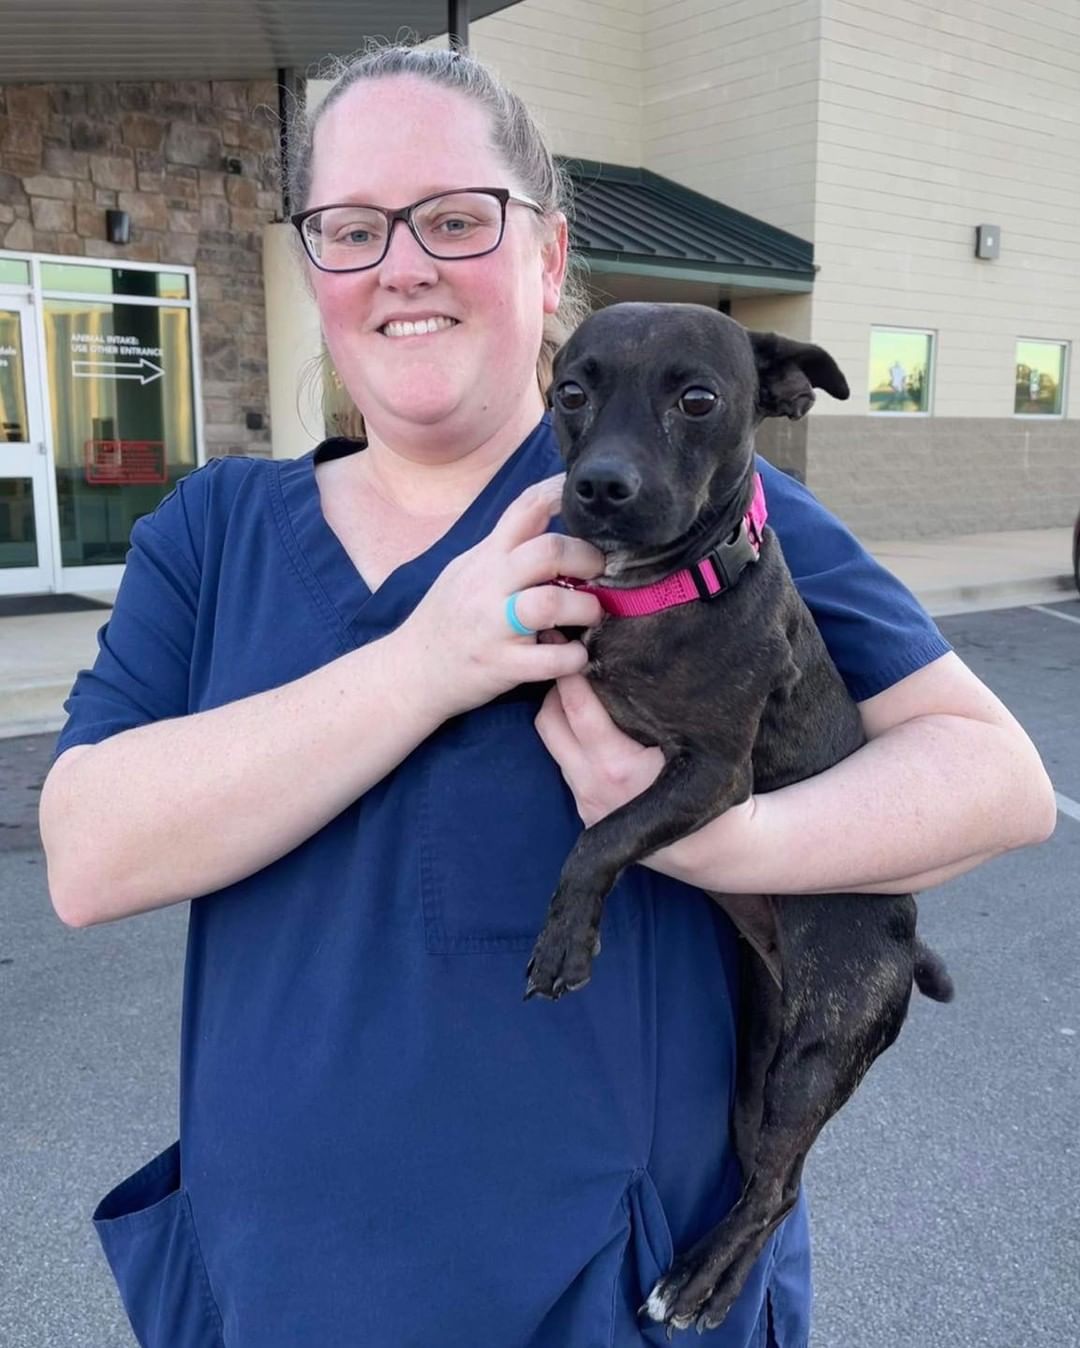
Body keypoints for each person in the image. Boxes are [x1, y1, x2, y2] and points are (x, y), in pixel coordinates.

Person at [39, 44, 1056, 1348]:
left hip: (605, 1289)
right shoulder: (214, 532)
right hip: (287, 1289)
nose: (402, 263)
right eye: (352, 229)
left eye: (456, 219)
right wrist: (424, 663)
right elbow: (83, 855)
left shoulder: (707, 511)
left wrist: (717, 836)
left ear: (545, 253)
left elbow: (997, 780)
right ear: (313, 266)